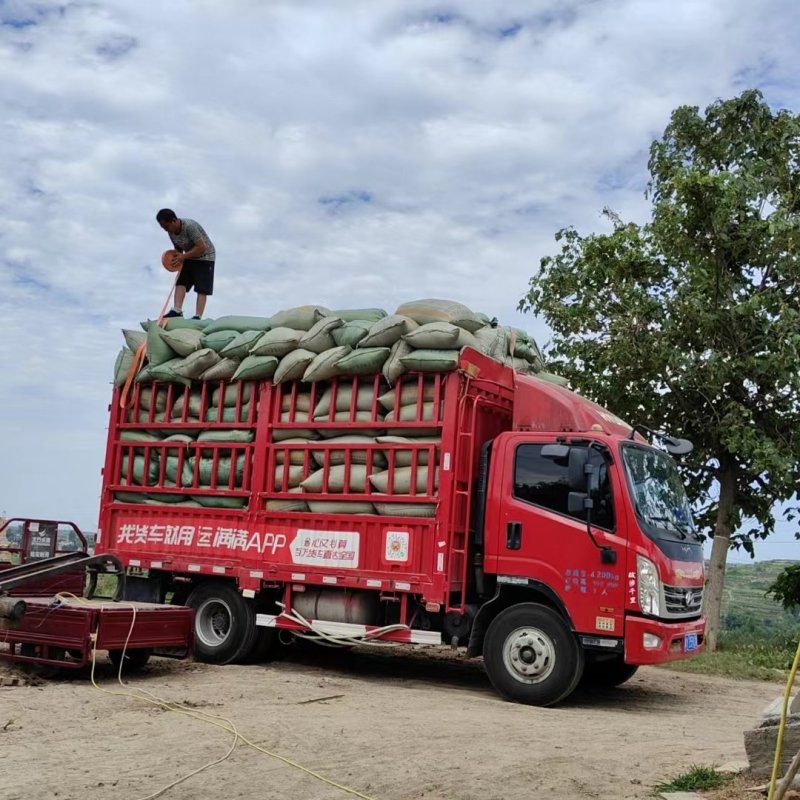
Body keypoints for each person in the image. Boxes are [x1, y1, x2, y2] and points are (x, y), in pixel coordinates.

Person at [156, 208, 217, 319]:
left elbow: (201, 247)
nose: (166, 230)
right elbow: (178, 249)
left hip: (205, 256)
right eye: (163, 228)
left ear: (173, 220)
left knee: (202, 287)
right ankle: (177, 310)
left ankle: (198, 316)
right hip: (189, 255)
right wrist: (176, 261)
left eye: (166, 227)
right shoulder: (171, 233)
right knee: (181, 281)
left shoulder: (189, 226)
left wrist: (183, 257)